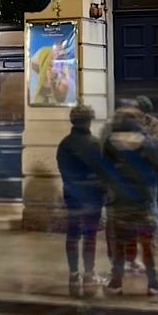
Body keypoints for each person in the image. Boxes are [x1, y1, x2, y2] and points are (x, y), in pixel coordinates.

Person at [102, 107, 158, 296]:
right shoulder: (148, 143)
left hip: (119, 201)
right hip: (143, 200)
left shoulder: (110, 142)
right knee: (146, 244)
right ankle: (153, 283)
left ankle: (116, 283)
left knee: (120, 245)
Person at [56, 104, 107, 297]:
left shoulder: (64, 144)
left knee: (72, 234)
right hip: (92, 197)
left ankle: (73, 274)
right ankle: (88, 274)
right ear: (88, 120)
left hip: (72, 195)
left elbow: (63, 171)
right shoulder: (94, 143)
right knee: (90, 236)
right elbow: (102, 171)